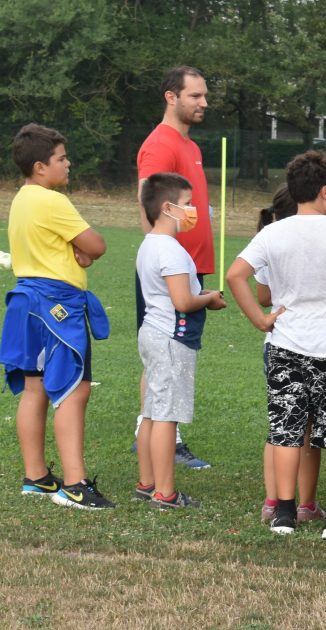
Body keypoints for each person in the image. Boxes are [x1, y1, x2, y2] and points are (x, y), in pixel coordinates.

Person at [227, 150, 326, 538]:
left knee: (285, 427)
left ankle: (284, 513)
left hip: (286, 342)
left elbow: (236, 275)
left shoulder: (273, 232)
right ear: (325, 191)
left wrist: (260, 319)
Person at [0, 123, 114, 509]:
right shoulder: (53, 201)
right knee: (73, 389)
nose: (69, 164)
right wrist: (84, 252)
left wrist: (75, 251)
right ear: (40, 166)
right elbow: (96, 244)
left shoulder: (21, 199)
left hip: (25, 303)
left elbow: (65, 248)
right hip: (57, 307)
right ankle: (76, 486)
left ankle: (37, 478)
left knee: (35, 389)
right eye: (61, 159)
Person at [133, 66, 214, 469]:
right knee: (166, 353)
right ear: (171, 96)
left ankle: (157, 434)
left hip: (189, 268)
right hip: (172, 274)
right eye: (195, 96)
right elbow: (149, 207)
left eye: (204, 96)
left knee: (175, 356)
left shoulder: (191, 146)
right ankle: (161, 436)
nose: (203, 103)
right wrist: (163, 259)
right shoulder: (161, 144)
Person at [134, 173, 226, 509]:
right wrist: (209, 298)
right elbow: (183, 302)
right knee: (166, 415)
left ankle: (147, 483)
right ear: (167, 207)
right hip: (171, 336)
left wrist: (196, 295)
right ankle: (165, 493)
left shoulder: (148, 244)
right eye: (187, 204)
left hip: (152, 332)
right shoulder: (170, 249)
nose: (194, 211)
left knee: (151, 411)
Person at [256, 185, 325, 524]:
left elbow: (261, 293)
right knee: (308, 428)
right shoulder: (313, 244)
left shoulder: (269, 241)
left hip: (276, 341)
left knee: (280, 427)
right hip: (313, 342)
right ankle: (306, 504)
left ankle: (273, 502)